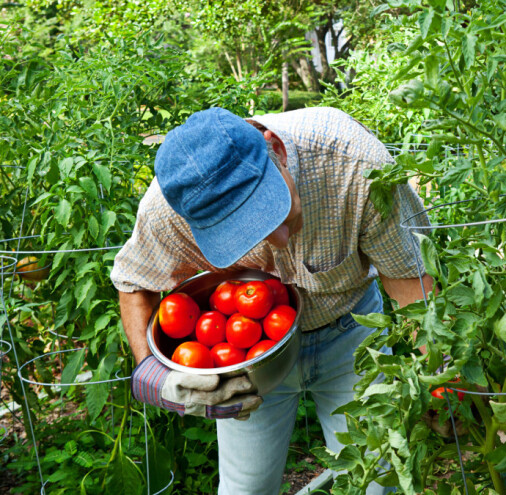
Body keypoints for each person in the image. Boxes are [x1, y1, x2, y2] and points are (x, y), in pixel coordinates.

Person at [110, 106, 432, 494]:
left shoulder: (355, 165)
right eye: (244, 232)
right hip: (244, 361)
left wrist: (439, 374)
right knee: (246, 487)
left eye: (273, 212)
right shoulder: (170, 208)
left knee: (373, 482)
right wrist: (151, 373)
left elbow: (410, 282)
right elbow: (133, 280)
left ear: (275, 149)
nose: (277, 240)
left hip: (352, 334)